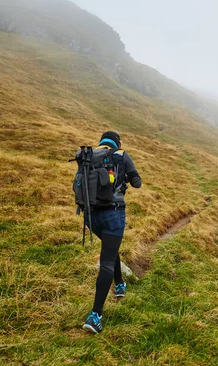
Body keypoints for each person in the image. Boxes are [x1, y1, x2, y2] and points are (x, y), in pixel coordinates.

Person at [82, 131, 142, 334]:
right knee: (107, 259)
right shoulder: (121, 154)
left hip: (90, 216)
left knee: (110, 249)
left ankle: (119, 284)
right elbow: (137, 183)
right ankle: (95, 316)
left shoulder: (89, 155)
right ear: (116, 142)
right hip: (113, 214)